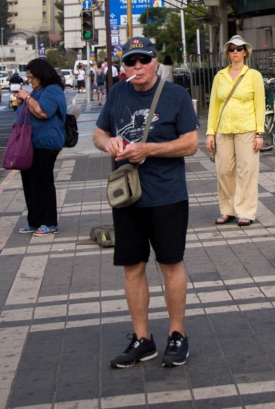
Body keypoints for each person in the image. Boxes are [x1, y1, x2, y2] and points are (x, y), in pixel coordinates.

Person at [93, 36, 199, 369]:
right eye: (130, 62)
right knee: (132, 267)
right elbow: (98, 133)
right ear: (122, 67)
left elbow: (190, 144)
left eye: (143, 60)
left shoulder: (175, 95)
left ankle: (177, 335)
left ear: (155, 61)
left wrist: (147, 150)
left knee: (170, 264)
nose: (137, 67)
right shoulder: (116, 93)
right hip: (127, 196)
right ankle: (143, 339)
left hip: (167, 195)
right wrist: (107, 142)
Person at [206, 34, 265, 227]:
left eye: (239, 49)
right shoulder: (220, 76)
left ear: (245, 52)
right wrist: (210, 132)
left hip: (246, 129)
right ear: (227, 53)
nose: (235, 52)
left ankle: (245, 211)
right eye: (232, 49)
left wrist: (259, 133)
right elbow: (214, 106)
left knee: (246, 171)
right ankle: (227, 209)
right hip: (223, 130)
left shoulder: (254, 75)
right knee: (224, 171)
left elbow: (259, 105)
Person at [14, 58, 68, 236]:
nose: (30, 81)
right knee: (30, 183)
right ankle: (35, 221)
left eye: (32, 77)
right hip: (30, 143)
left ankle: (50, 222)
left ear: (41, 75)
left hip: (45, 143)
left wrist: (27, 98)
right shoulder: (38, 91)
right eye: (28, 78)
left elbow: (43, 112)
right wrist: (23, 102)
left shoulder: (52, 90)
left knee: (42, 183)